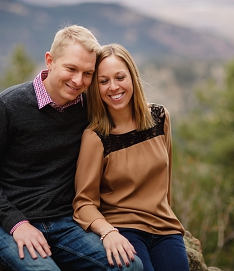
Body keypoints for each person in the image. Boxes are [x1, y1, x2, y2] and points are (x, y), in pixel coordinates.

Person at [0, 25, 142, 270]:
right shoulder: (6, 107)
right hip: (11, 225)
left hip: (66, 223)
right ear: (50, 61)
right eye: (71, 68)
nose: (78, 80)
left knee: (130, 265)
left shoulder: (89, 109)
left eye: (87, 73)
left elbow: (123, 106)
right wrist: (17, 224)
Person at [73, 43, 189, 271]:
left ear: (133, 77)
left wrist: (169, 220)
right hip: (123, 229)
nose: (113, 87)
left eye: (120, 77)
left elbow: (165, 183)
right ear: (95, 88)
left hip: (165, 228)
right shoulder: (96, 136)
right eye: (103, 81)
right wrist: (108, 232)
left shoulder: (160, 117)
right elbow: (83, 203)